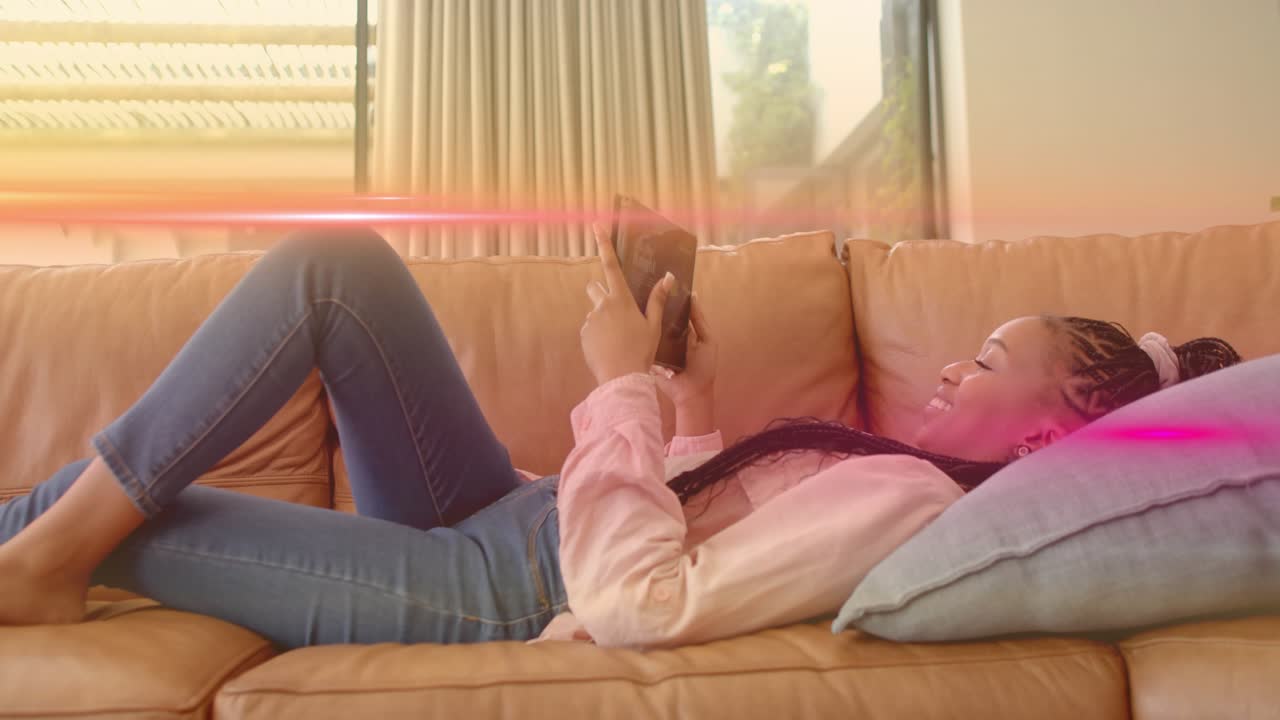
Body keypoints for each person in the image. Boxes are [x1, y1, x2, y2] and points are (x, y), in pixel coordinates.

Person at [0, 227, 1241, 650]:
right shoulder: (897, 474)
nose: (952, 362)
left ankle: (38, 562)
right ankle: (45, 552)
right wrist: (680, 396)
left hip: (499, 586)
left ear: (1050, 435)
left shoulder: (913, 508)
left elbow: (641, 601)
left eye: (988, 359)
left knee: (103, 510)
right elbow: (714, 516)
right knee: (334, 272)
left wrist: (620, 395)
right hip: (512, 516)